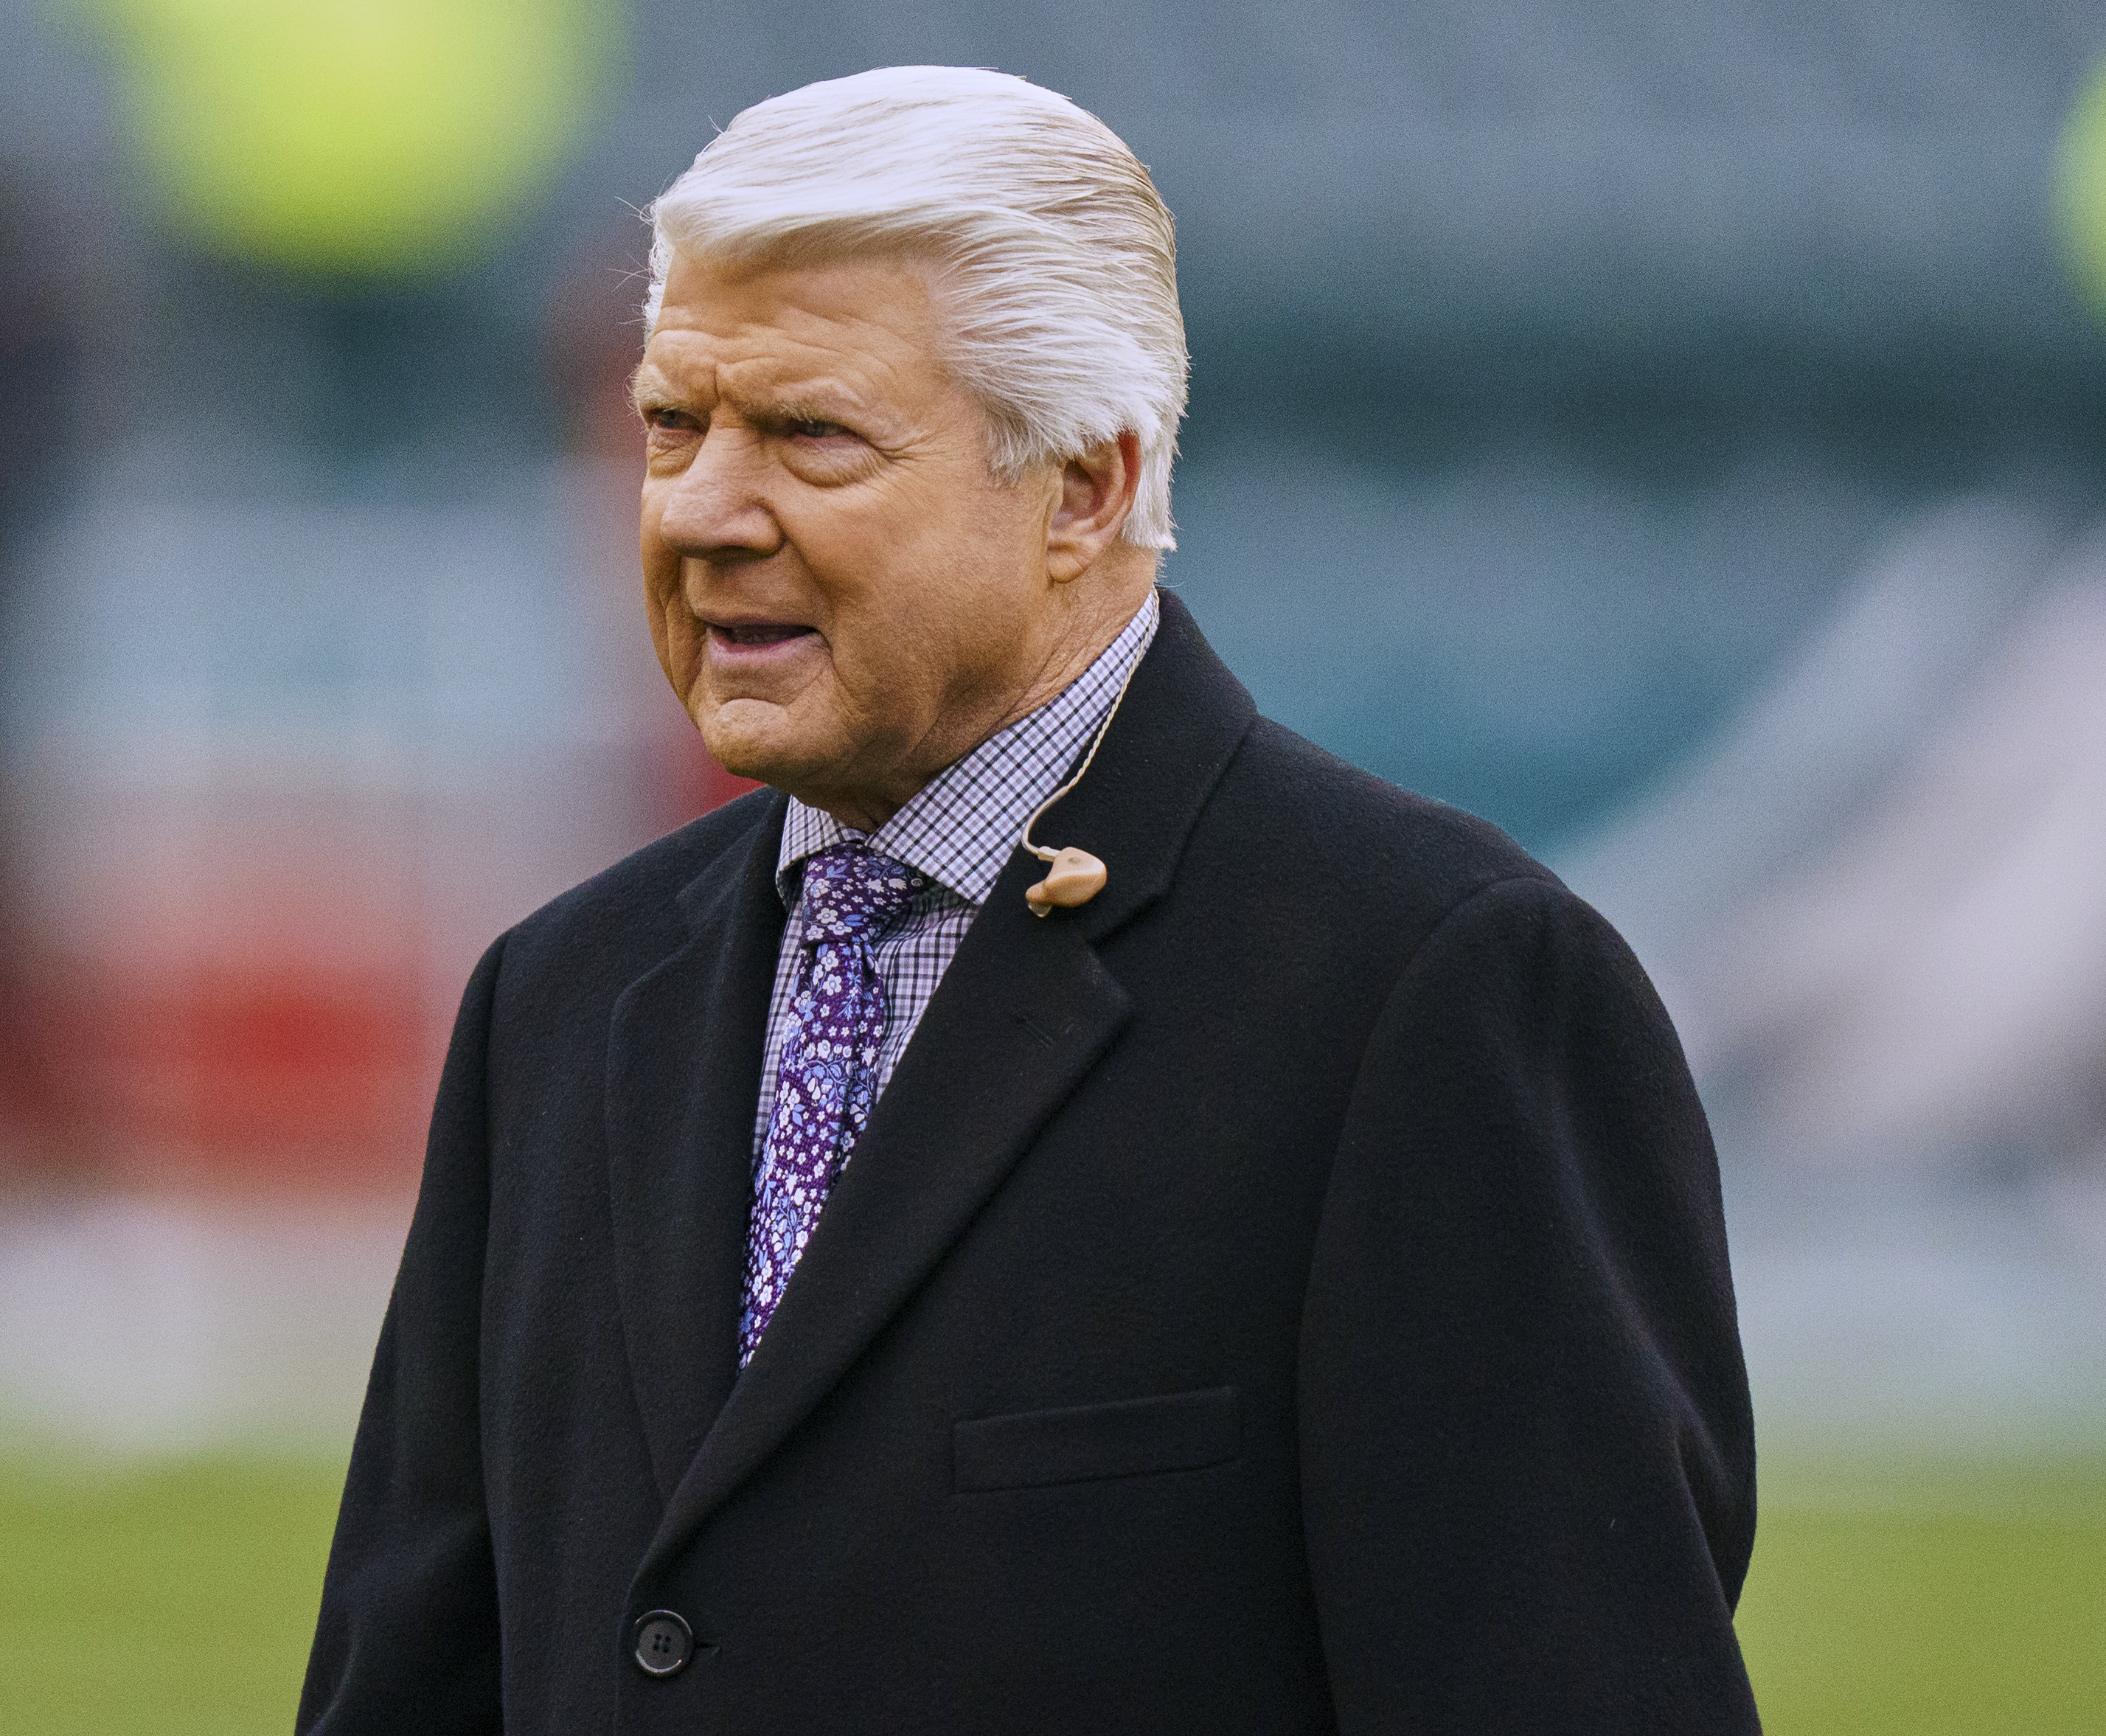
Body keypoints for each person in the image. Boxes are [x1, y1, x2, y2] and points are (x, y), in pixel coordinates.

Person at [298, 66, 1758, 1735]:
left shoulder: (1431, 988)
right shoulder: (555, 999)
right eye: (671, 425)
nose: (700, 510)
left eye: (806, 434)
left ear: (1081, 486)